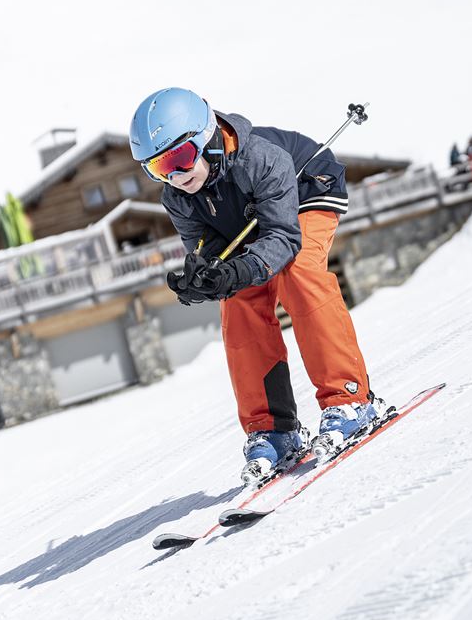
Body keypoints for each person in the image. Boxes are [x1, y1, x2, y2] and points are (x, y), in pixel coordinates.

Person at [129, 88, 387, 483]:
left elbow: (283, 238)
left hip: (306, 193)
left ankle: (350, 399)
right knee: (237, 301)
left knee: (297, 273)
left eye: (179, 159)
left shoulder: (262, 158)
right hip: (249, 224)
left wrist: (238, 269)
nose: (175, 177)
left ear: (206, 137)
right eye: (158, 169)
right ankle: (274, 429)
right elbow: (208, 248)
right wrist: (206, 278)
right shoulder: (178, 196)